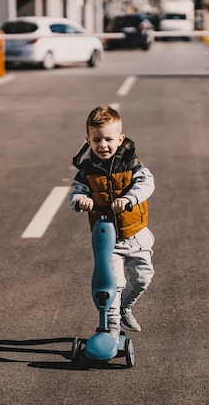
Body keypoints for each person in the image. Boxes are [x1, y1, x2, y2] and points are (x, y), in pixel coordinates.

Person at [68, 105, 155, 339]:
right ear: (88, 140)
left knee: (143, 277)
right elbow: (75, 192)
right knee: (113, 284)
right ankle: (112, 329)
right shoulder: (87, 170)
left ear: (120, 138)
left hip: (136, 233)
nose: (103, 145)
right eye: (96, 140)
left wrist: (129, 198)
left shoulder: (131, 163)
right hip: (108, 238)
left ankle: (126, 306)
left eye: (108, 139)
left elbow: (147, 183)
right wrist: (80, 200)